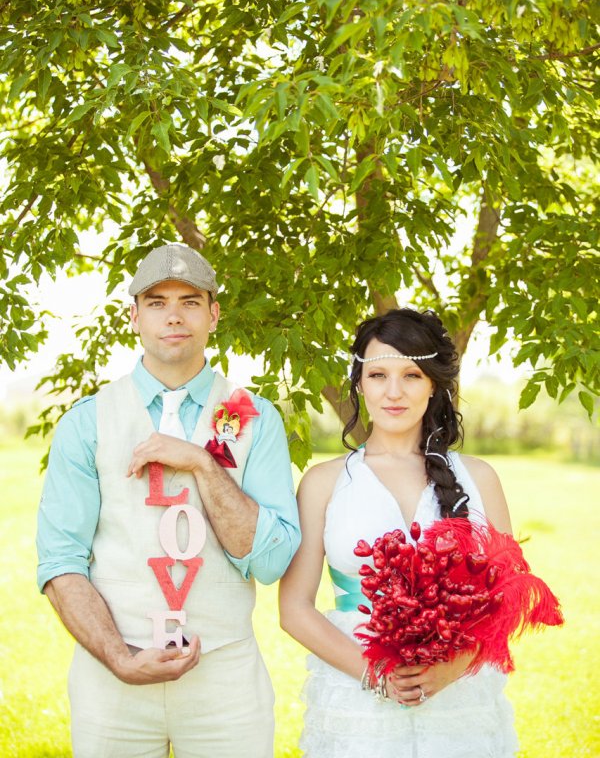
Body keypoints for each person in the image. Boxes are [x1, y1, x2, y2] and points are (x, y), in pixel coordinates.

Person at [37, 242, 301, 758]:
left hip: (224, 678)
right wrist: (118, 657)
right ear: (134, 316)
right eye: (156, 302)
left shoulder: (252, 415)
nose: (173, 316)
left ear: (214, 313)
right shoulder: (87, 421)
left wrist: (204, 463)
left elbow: (270, 561)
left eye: (190, 301)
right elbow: (60, 561)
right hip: (111, 679)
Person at [279, 308, 519, 758]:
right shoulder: (323, 482)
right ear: (360, 383)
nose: (394, 392)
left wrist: (452, 669)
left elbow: (506, 597)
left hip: (460, 699)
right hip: (357, 697)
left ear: (434, 384)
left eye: (411, 375)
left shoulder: (479, 478)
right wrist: (375, 672)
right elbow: (293, 608)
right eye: (378, 375)